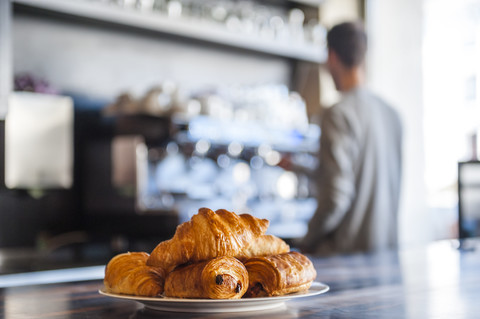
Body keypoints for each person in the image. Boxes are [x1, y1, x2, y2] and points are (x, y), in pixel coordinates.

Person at [300, 21, 403, 255]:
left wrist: (307, 240)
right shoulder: (393, 114)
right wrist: (298, 168)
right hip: (386, 254)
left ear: (332, 57)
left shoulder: (337, 113)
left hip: (346, 259)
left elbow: (336, 196)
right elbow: (361, 176)